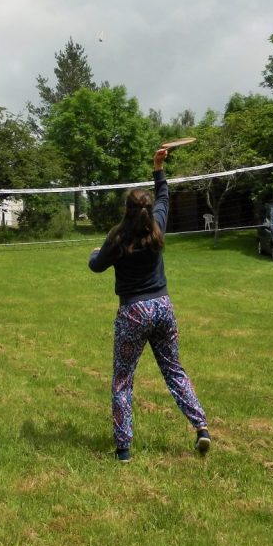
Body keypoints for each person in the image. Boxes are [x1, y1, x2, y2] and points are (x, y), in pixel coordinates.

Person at [88, 146, 210, 463]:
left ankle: (124, 449)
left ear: (126, 210)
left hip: (134, 312)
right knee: (174, 371)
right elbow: (164, 197)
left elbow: (96, 266)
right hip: (162, 307)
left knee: (123, 381)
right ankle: (201, 428)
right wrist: (158, 168)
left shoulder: (117, 238)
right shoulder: (156, 228)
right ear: (147, 209)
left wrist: (93, 254)